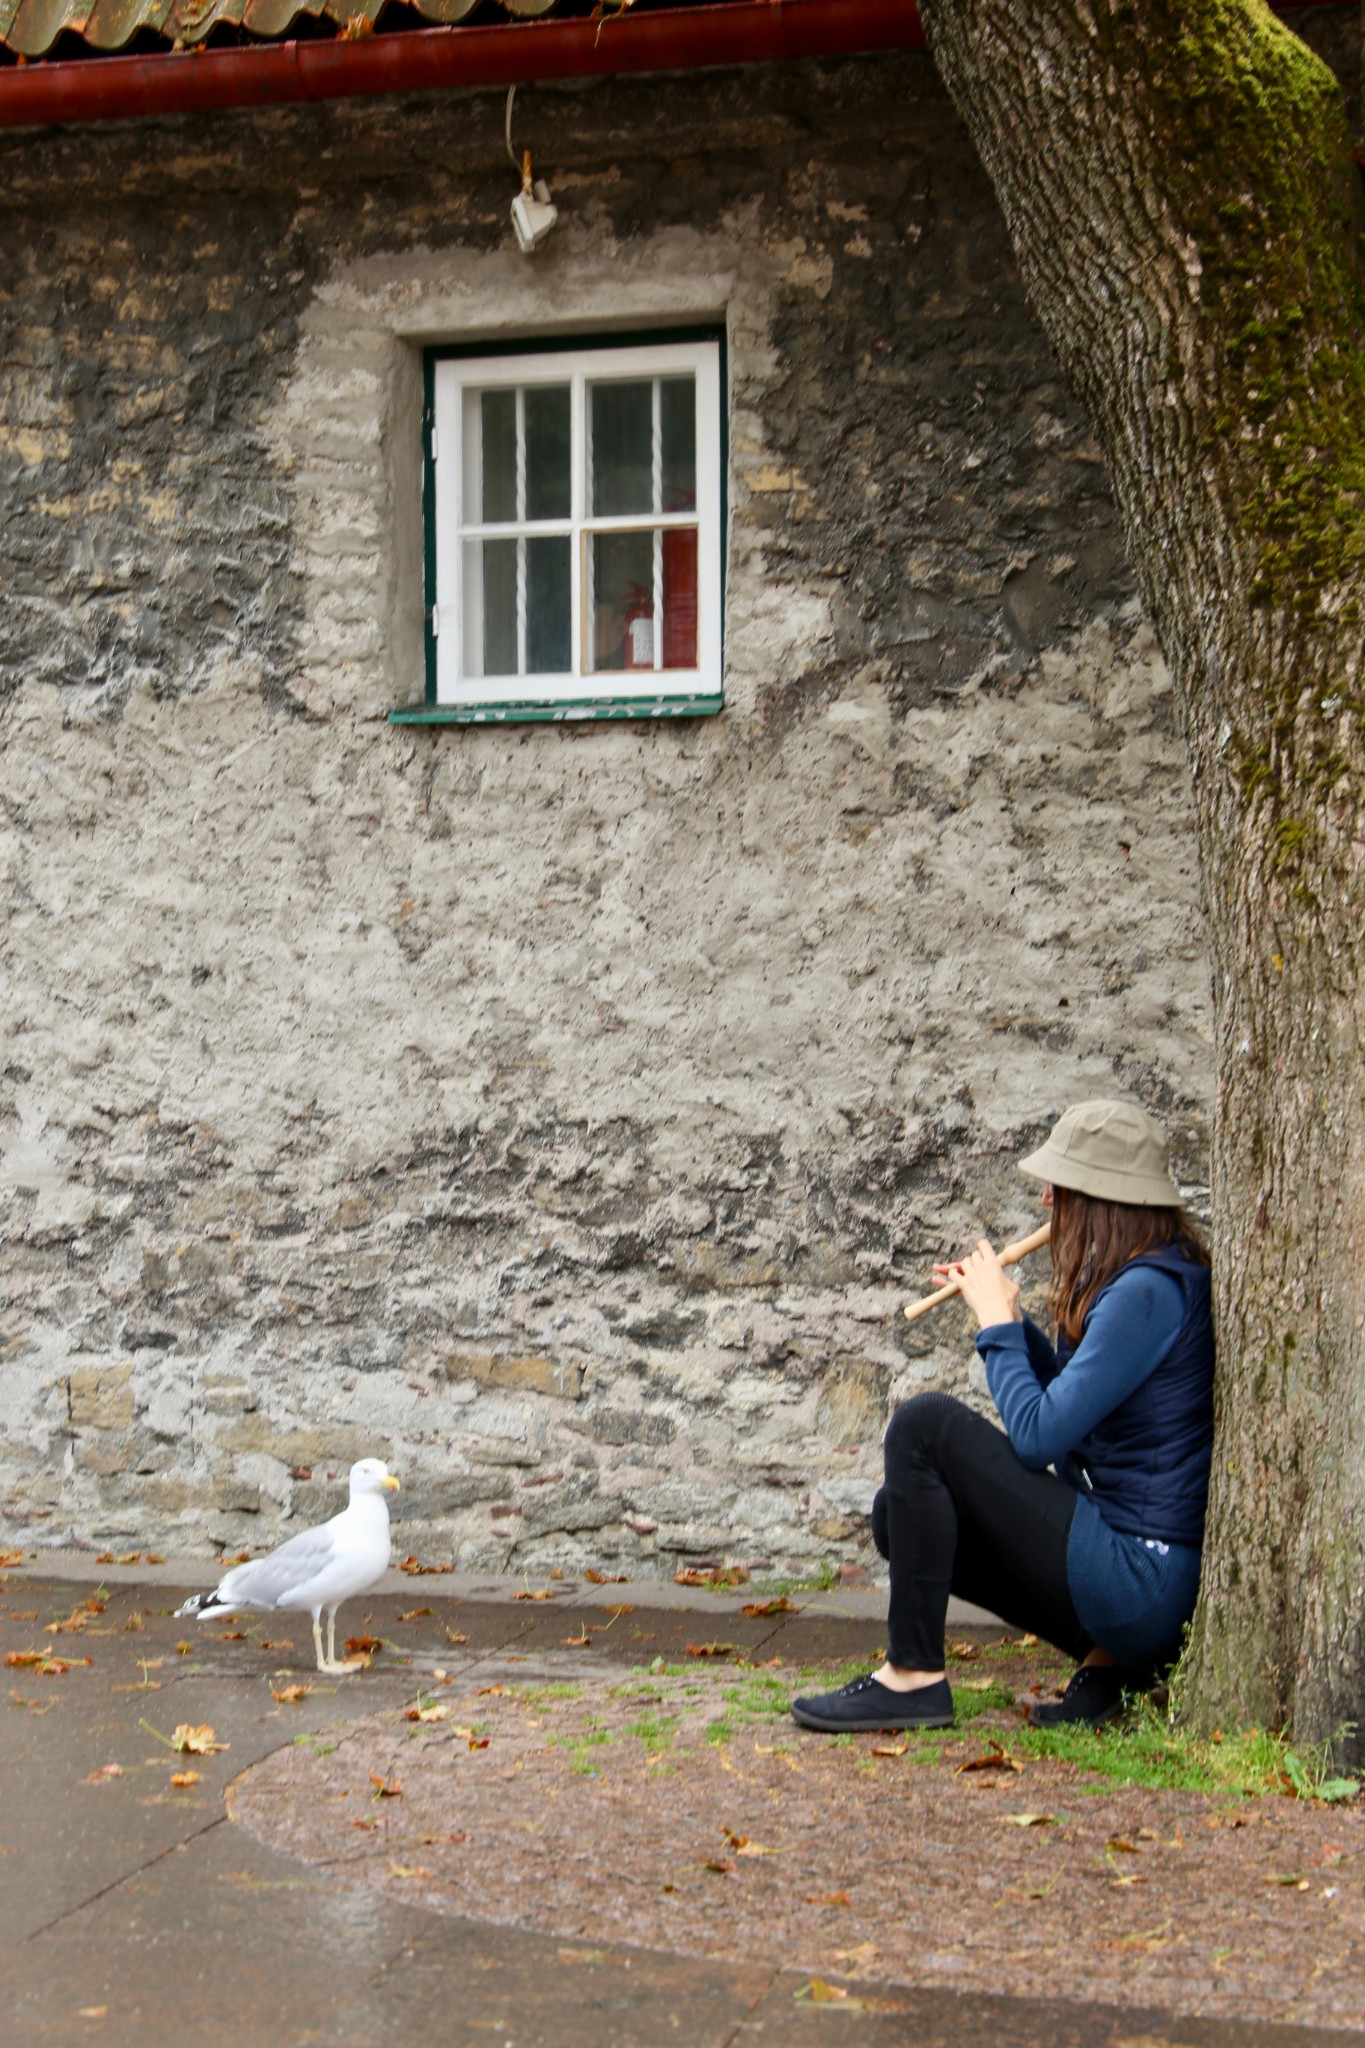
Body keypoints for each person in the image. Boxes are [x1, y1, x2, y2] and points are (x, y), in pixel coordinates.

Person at [790, 1099, 1214, 1733]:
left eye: (1059, 1186)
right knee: (899, 1518)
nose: (1046, 1200)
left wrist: (994, 1323)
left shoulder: (1147, 1293)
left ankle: (911, 1680)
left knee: (923, 1426)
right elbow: (1072, 1403)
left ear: (1099, 1198)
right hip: (1136, 1580)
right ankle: (1112, 1669)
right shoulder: (1144, 1281)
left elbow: (1038, 1436)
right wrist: (1009, 1321)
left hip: (1142, 1579)